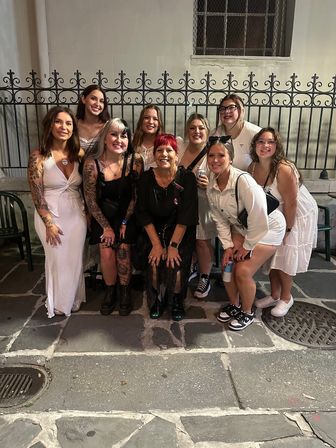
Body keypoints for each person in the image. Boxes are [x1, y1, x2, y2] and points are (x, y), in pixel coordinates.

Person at [206, 136, 286, 331]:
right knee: (228, 265)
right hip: (242, 228)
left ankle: (247, 311)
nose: (215, 160)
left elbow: (260, 220)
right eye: (211, 155)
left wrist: (246, 247)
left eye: (221, 155)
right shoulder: (212, 183)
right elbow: (220, 218)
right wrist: (228, 247)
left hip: (268, 228)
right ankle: (234, 305)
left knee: (242, 270)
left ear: (230, 158)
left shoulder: (243, 181)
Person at [249, 127, 318, 317]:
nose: (265, 145)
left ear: (276, 146)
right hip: (274, 213)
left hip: (296, 214)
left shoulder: (284, 169)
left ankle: (286, 298)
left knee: (285, 254)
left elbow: (292, 203)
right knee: (271, 254)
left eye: (270, 142)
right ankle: (274, 294)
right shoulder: (253, 168)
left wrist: (288, 229)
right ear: (255, 144)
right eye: (261, 141)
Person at [27, 106, 87, 318]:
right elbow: (36, 194)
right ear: (50, 125)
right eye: (59, 122)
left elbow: (87, 186)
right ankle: (60, 303)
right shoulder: (39, 156)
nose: (64, 127)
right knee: (57, 258)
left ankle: (74, 298)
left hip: (76, 213)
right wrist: (49, 223)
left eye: (69, 123)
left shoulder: (79, 153)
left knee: (74, 257)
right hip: (50, 213)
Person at [83, 118, 143, 316]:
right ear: (105, 138)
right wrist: (106, 227)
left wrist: (125, 221)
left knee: (124, 248)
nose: (119, 139)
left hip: (128, 214)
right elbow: (90, 201)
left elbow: (136, 196)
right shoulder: (92, 164)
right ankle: (111, 291)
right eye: (114, 134)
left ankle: (125, 291)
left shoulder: (135, 161)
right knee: (106, 249)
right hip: (103, 216)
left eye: (124, 135)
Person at [135, 133, 198, 321]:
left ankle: (177, 300)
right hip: (152, 230)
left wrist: (173, 246)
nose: (164, 154)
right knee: (154, 263)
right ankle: (156, 299)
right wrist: (156, 244)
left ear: (176, 155)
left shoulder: (187, 178)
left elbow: (186, 215)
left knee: (175, 264)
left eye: (169, 150)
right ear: (154, 155)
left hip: (179, 230)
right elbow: (142, 213)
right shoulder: (146, 179)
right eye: (159, 150)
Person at [178, 113, 217, 299]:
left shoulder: (213, 154)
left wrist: (208, 185)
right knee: (185, 238)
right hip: (181, 203)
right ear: (187, 131)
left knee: (202, 241)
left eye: (201, 128)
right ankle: (192, 266)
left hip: (203, 203)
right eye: (192, 128)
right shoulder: (180, 147)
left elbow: (222, 180)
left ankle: (205, 276)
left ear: (207, 131)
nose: (196, 131)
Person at [211, 94, 261, 171]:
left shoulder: (256, 134)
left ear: (242, 111)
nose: (226, 111)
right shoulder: (214, 135)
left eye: (231, 108)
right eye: (222, 109)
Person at [76, 84, 110, 151]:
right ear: (83, 99)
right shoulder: (73, 124)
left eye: (101, 101)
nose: (97, 104)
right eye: (93, 98)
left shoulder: (108, 127)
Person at [132, 105, 164, 170]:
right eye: (146, 117)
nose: (150, 122)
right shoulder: (131, 141)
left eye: (155, 119)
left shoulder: (165, 143)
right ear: (141, 121)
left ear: (159, 123)